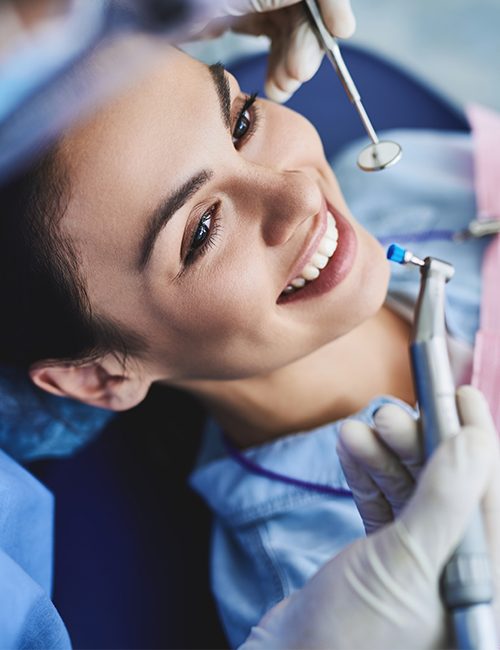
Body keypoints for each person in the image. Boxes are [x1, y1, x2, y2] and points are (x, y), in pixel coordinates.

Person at [0, 9, 498, 649]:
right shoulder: (310, 587)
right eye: (201, 231)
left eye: (240, 123)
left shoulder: (419, 187)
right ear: (100, 376)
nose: (297, 196)